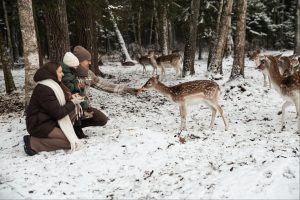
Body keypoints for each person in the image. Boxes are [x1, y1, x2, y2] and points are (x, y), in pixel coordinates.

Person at [24, 62, 85, 156]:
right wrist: (73, 102)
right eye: (60, 72)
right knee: (71, 142)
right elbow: (58, 113)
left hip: (49, 120)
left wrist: (72, 98)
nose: (63, 74)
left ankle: (55, 134)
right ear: (52, 73)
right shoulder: (44, 89)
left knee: (73, 111)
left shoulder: (54, 84)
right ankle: (33, 143)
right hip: (39, 124)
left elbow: (58, 104)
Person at [73, 45, 139, 95]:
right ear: (79, 61)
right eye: (87, 60)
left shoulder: (88, 74)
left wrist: (126, 89)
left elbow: (104, 85)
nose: (90, 63)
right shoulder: (68, 74)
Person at [61, 52, 94, 119]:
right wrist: (77, 86)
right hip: (69, 96)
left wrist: (80, 86)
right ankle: (83, 112)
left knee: (82, 97)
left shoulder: (70, 72)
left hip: (75, 92)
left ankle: (85, 110)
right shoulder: (66, 74)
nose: (89, 63)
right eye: (87, 61)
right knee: (79, 98)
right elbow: (68, 86)